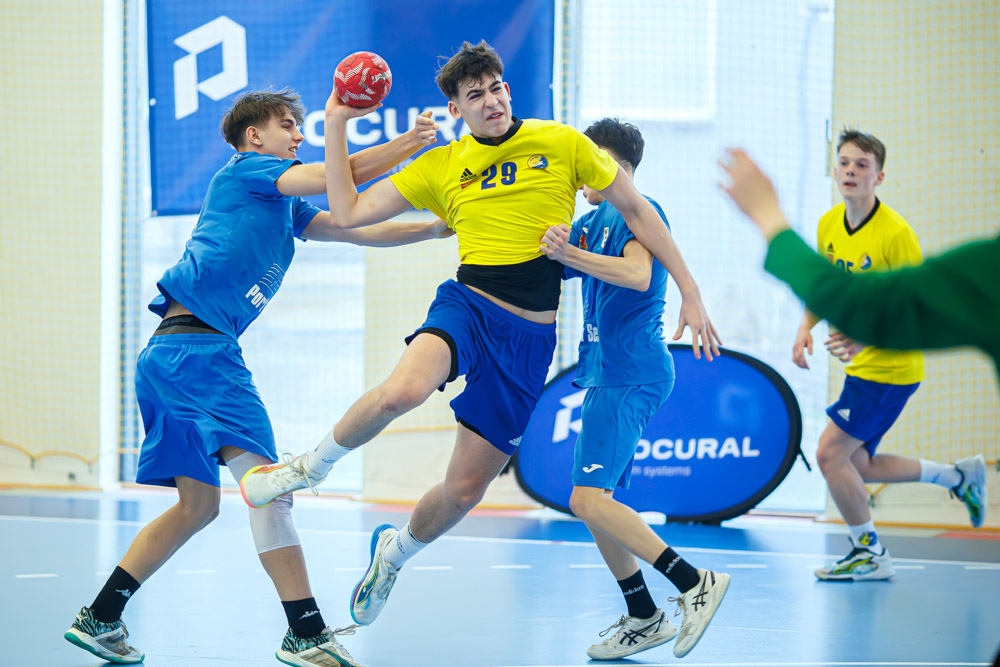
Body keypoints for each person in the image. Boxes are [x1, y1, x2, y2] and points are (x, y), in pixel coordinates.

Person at [241, 40, 723, 633]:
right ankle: (309, 468)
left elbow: (641, 213)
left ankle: (394, 552)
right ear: (456, 108)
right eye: (476, 95)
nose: (491, 101)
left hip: (529, 340)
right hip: (467, 305)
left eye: (496, 88)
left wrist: (691, 290)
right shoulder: (441, 165)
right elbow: (346, 213)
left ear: (507, 90)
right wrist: (337, 121)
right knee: (404, 391)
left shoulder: (563, 143)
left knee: (464, 490)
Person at [63, 89, 448, 667]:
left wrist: (433, 230)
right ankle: (306, 634)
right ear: (254, 136)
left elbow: (353, 226)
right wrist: (410, 144)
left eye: (299, 126)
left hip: (169, 356)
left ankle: (100, 617)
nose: (298, 135)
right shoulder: (248, 172)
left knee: (198, 508)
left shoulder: (280, 202)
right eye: (287, 125)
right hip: (201, 356)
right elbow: (337, 175)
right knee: (271, 491)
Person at [719, 141, 992, 576]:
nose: (850, 170)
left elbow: (907, 309)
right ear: (834, 172)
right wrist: (805, 326)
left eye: (862, 164)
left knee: (830, 456)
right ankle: (957, 477)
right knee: (857, 464)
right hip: (862, 370)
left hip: (890, 370)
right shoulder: (829, 223)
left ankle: (870, 553)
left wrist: (868, 340)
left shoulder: (896, 234)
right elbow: (830, 288)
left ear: (878, 177)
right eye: (843, 163)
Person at [537, 118, 729, 660]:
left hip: (632, 371)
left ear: (615, 167)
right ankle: (644, 616)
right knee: (595, 502)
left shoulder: (637, 210)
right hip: (606, 373)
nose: (580, 175)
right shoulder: (591, 219)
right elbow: (547, 260)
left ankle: (694, 582)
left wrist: (568, 256)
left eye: (587, 163)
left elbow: (638, 274)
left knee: (587, 499)